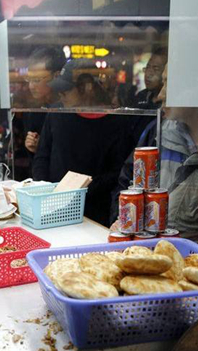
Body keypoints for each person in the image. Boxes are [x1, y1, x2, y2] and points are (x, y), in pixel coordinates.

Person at [33, 59, 131, 226]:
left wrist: (83, 189)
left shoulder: (116, 122)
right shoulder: (56, 114)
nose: (61, 94)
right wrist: (44, 192)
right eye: (59, 89)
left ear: (87, 87)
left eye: (66, 89)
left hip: (97, 214)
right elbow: (42, 156)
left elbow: (119, 171)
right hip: (53, 208)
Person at [110, 65, 198, 237]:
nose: (160, 96)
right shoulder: (158, 132)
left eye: (168, 85)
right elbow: (128, 182)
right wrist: (122, 220)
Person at [23, 47, 67, 155]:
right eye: (29, 79)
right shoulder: (34, 111)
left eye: (37, 80)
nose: (31, 86)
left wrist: (44, 148)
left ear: (56, 76)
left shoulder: (69, 110)